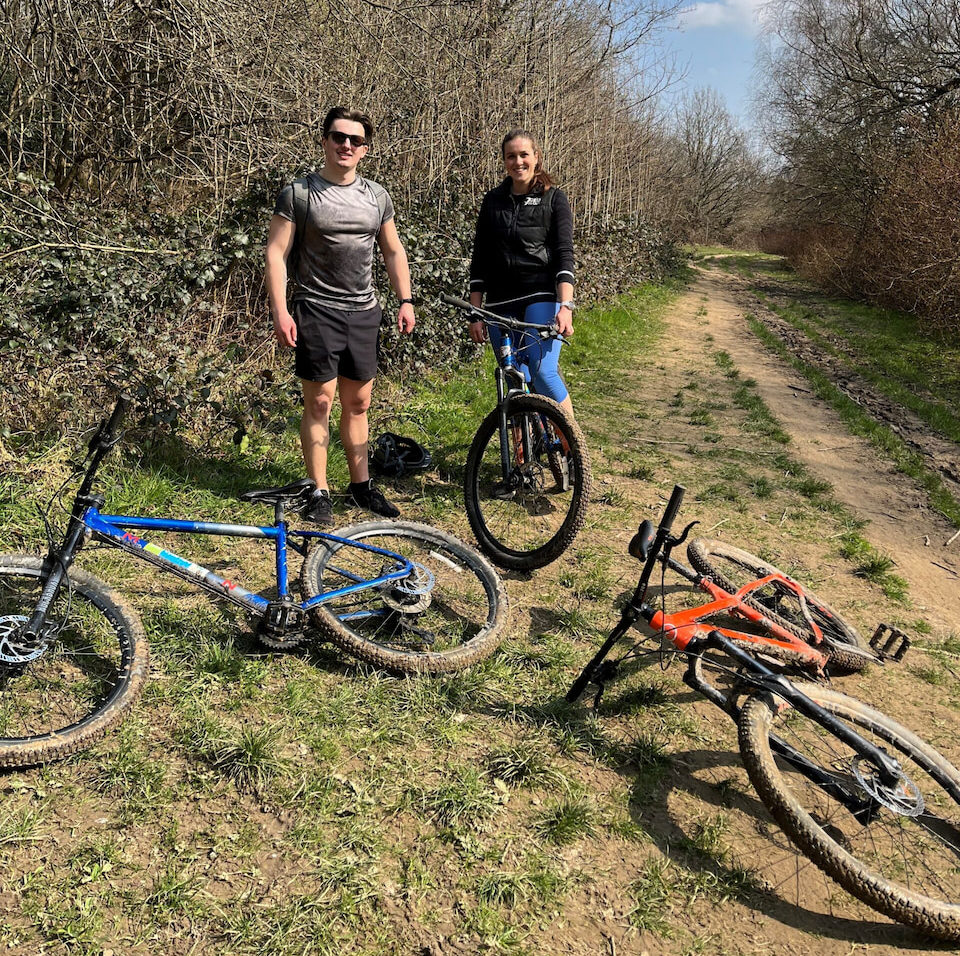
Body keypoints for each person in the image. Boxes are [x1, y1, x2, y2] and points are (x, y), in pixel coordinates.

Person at [265, 107, 415, 526]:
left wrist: (406, 299)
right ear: (325, 140)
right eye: (338, 137)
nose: (346, 145)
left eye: (355, 140)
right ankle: (318, 489)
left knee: (359, 402)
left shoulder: (377, 197)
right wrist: (281, 310)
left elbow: (392, 250)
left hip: (364, 311)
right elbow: (275, 253)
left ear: (365, 150)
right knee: (320, 401)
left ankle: (361, 486)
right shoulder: (299, 193)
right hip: (316, 309)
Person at [468, 128, 576, 421]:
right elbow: (480, 260)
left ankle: (572, 444)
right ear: (504, 161)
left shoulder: (554, 200)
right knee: (514, 377)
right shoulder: (493, 201)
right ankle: (521, 458)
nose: (518, 162)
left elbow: (564, 255)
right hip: (498, 304)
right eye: (511, 156)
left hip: (539, 295)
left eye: (524, 155)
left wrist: (565, 307)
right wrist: (475, 313)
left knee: (541, 370)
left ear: (536, 157)